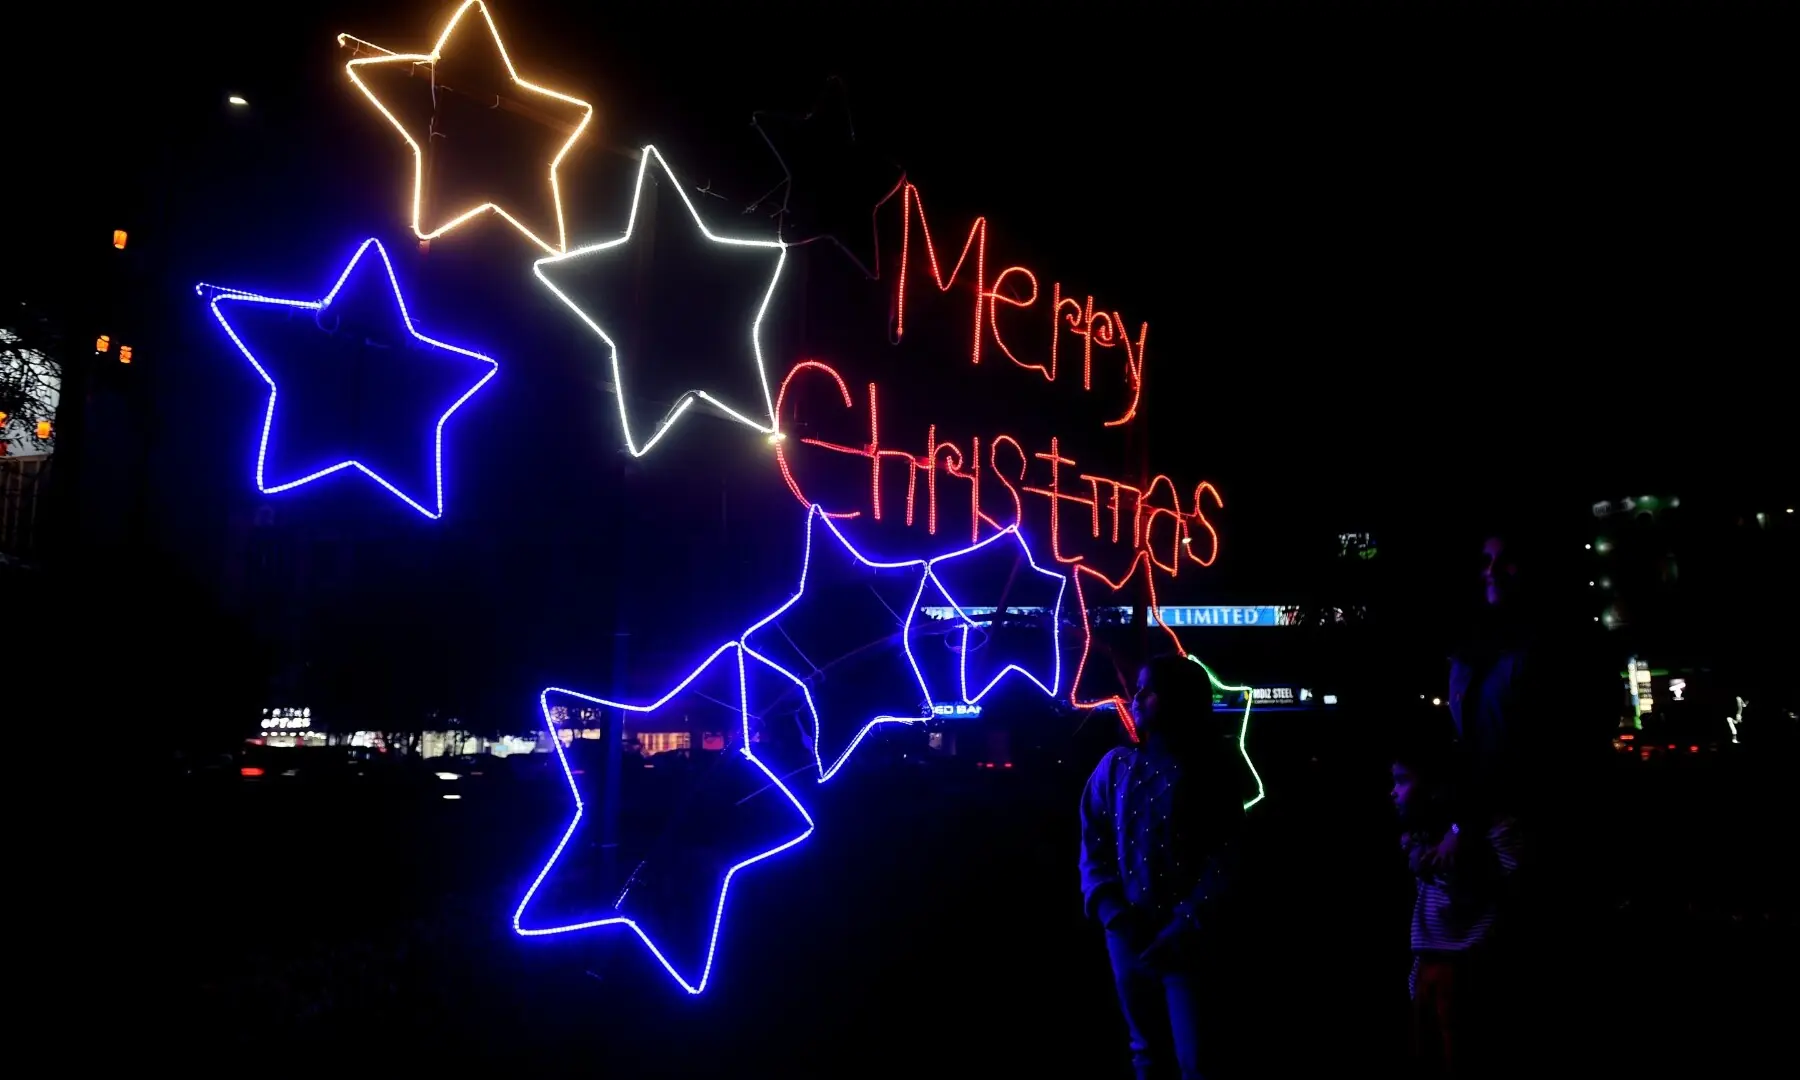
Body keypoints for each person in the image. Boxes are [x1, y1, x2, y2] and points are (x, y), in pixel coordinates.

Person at [1080, 653, 1248, 1080]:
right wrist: (1113, 913)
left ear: (1179, 700)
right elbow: (1094, 848)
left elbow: (1226, 856)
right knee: (1148, 1052)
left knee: (1196, 1057)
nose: (1136, 697)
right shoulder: (1114, 767)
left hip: (1188, 940)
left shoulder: (1210, 771)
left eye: (1148, 689)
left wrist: (1187, 923)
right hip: (1130, 933)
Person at [1392, 725, 1524, 1078]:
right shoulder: (1422, 834)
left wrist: (1458, 835)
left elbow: (1514, 872)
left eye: (1403, 780)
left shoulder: (1478, 830)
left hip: (1467, 962)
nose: (1394, 791)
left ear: (1435, 786)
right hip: (1432, 961)